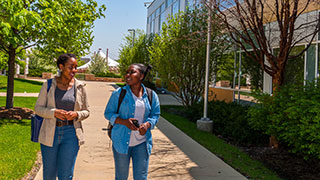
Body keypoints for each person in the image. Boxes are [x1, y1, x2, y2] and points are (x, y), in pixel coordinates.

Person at [35, 53, 89, 180]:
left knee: (66, 175)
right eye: (71, 67)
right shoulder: (48, 85)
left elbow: (87, 111)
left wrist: (76, 114)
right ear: (61, 66)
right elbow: (38, 109)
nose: (74, 70)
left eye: (76, 67)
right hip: (50, 132)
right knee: (49, 174)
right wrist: (54, 112)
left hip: (71, 133)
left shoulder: (80, 87)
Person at [104, 63, 160, 180]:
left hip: (142, 143)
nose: (127, 75)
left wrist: (148, 124)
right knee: (121, 177)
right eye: (127, 72)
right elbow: (108, 113)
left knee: (141, 177)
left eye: (132, 72)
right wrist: (124, 122)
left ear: (141, 76)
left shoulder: (151, 95)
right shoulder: (119, 94)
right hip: (121, 141)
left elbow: (155, 114)